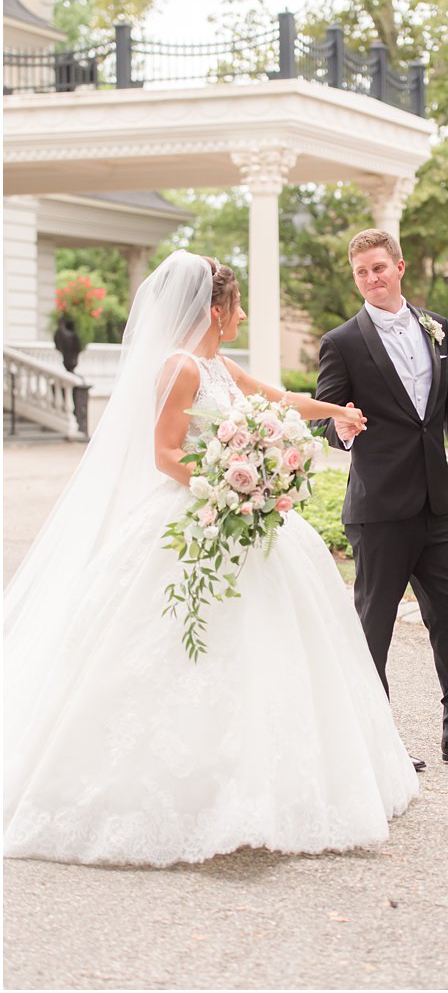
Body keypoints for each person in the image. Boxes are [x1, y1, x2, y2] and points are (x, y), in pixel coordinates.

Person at [5, 252, 418, 866]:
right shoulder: (178, 369)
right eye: (237, 304)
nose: (243, 314)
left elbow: (273, 398)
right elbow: (166, 454)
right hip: (198, 516)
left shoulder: (217, 363)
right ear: (211, 309)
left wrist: (331, 411)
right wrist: (232, 483)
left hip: (244, 514)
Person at [316, 229, 448, 770]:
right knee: (374, 628)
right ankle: (376, 744)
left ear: (400, 267)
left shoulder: (437, 329)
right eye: (361, 272)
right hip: (379, 508)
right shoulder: (341, 341)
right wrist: (344, 427)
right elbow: (325, 417)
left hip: (435, 504)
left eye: (379, 268)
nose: (371, 279)